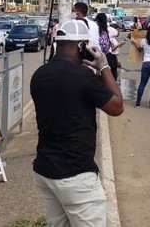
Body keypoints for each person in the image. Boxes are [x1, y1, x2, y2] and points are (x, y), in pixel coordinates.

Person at [30, 20, 123, 227]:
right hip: (75, 174)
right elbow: (117, 107)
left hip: (45, 170)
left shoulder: (39, 75)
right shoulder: (82, 77)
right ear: (81, 46)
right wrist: (104, 66)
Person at [93, 14, 116, 78]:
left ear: (98, 21)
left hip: (100, 58)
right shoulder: (107, 30)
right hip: (109, 56)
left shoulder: (96, 31)